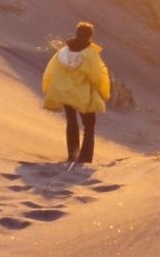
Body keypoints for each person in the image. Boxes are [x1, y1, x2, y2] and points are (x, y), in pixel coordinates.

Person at [42, 21, 111, 165]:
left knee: (71, 122)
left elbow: (51, 71)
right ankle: (84, 159)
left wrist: (50, 88)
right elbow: (98, 75)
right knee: (89, 125)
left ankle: (72, 155)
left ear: (77, 33)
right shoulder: (90, 54)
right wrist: (104, 92)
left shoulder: (63, 52)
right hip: (83, 95)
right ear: (90, 37)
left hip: (66, 93)